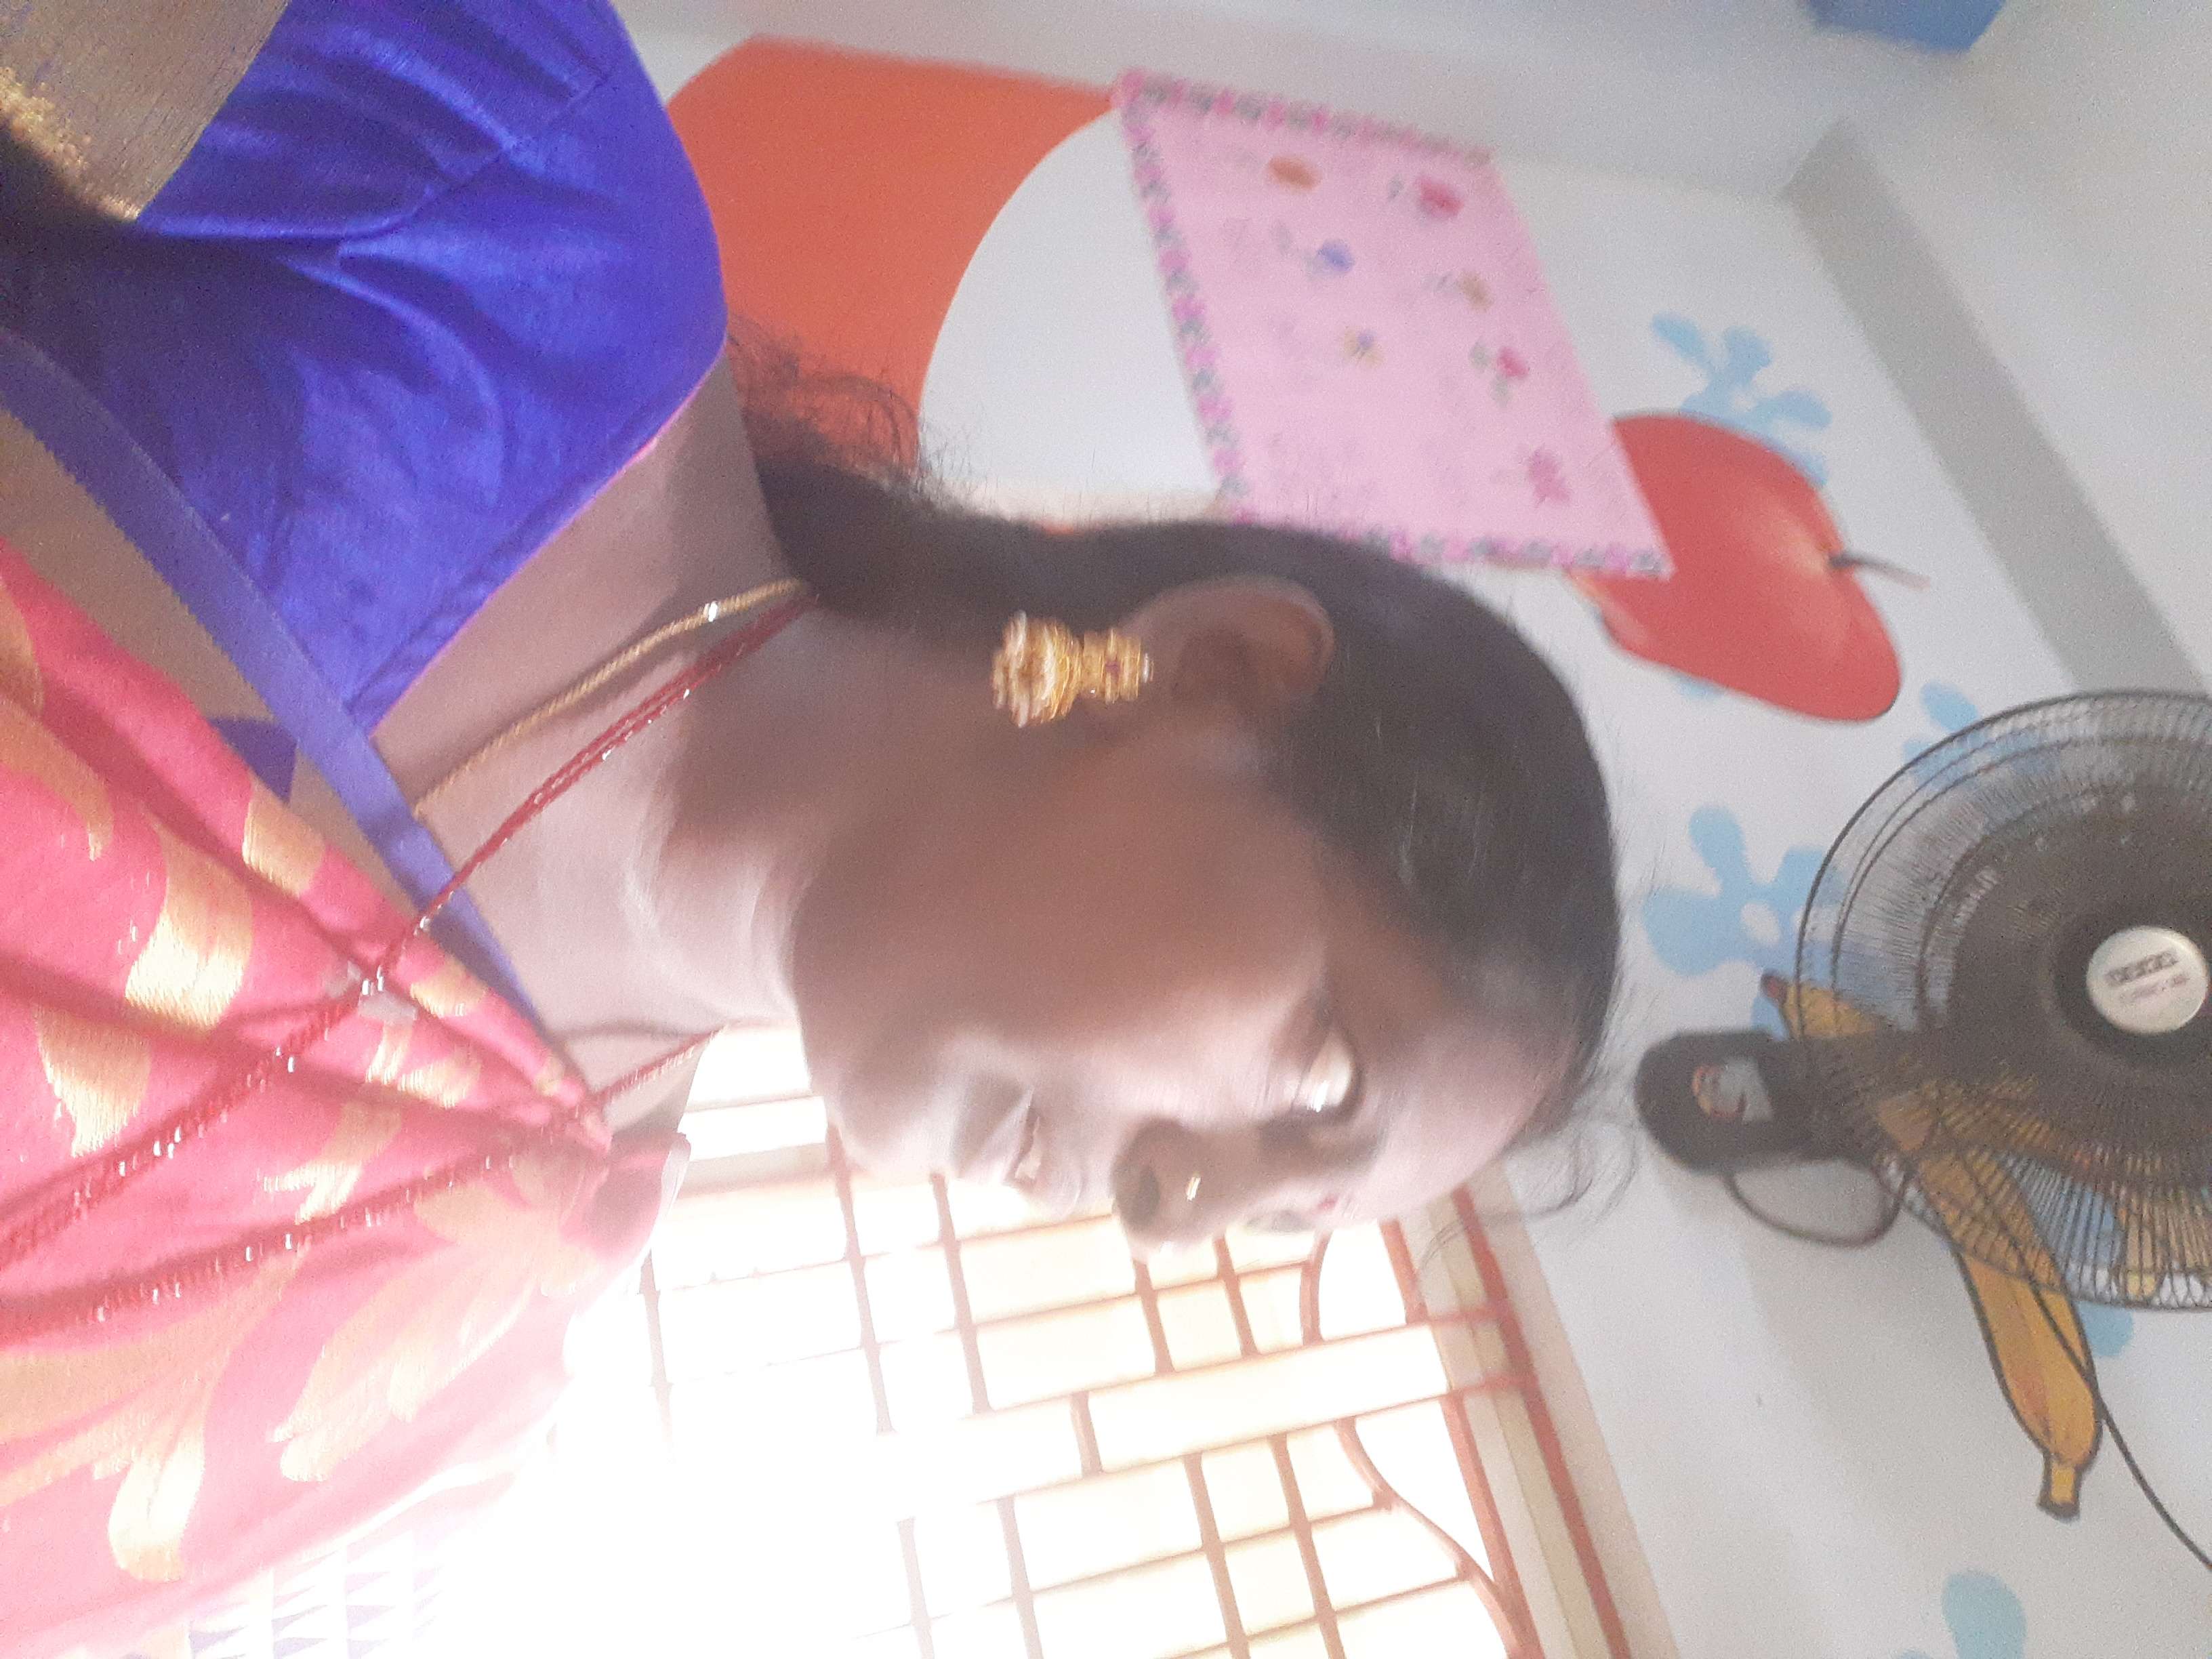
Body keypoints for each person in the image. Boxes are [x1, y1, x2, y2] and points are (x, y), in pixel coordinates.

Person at [0, 0, 1618, 1650]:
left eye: (1258, 1222)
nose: (1167, 1215)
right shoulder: (511, 229)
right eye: (1321, 1084)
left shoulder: (479, 1348)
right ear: (1222, 669)